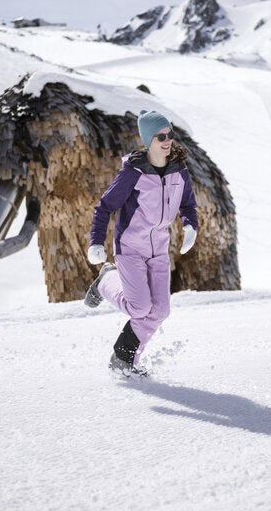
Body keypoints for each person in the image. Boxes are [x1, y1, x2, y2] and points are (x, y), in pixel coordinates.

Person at [84, 110, 199, 377]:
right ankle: (106, 280)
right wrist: (96, 242)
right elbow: (104, 207)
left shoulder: (179, 170)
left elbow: (188, 204)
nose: (168, 140)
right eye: (161, 136)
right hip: (131, 248)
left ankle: (124, 361)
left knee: (160, 311)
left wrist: (190, 225)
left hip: (159, 250)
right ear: (149, 140)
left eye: (170, 134)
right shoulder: (133, 173)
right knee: (140, 308)